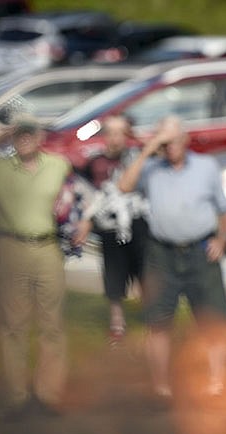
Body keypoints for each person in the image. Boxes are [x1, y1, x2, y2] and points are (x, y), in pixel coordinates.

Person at [0, 119, 93, 418]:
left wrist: (85, 221)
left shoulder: (57, 165)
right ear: (12, 137)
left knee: (52, 325)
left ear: (39, 137)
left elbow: (83, 194)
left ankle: (47, 395)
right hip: (12, 248)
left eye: (29, 133)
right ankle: (16, 397)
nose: (24, 139)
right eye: (19, 134)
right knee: (13, 326)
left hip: (48, 249)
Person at [118, 116, 226, 398]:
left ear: (185, 140)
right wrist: (150, 147)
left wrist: (222, 238)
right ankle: (161, 388)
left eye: (173, 141)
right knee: (157, 322)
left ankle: (217, 383)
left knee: (213, 318)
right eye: (165, 143)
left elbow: (224, 208)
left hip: (200, 251)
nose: (170, 148)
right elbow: (123, 186)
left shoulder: (206, 167)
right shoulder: (151, 169)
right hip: (161, 254)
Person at [83, 115, 149, 347]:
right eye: (111, 133)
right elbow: (88, 194)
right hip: (110, 229)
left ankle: (150, 319)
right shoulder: (95, 162)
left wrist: (137, 138)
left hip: (138, 225)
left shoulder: (137, 156)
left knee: (144, 272)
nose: (116, 139)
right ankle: (117, 323)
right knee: (114, 275)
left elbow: (156, 151)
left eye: (121, 133)